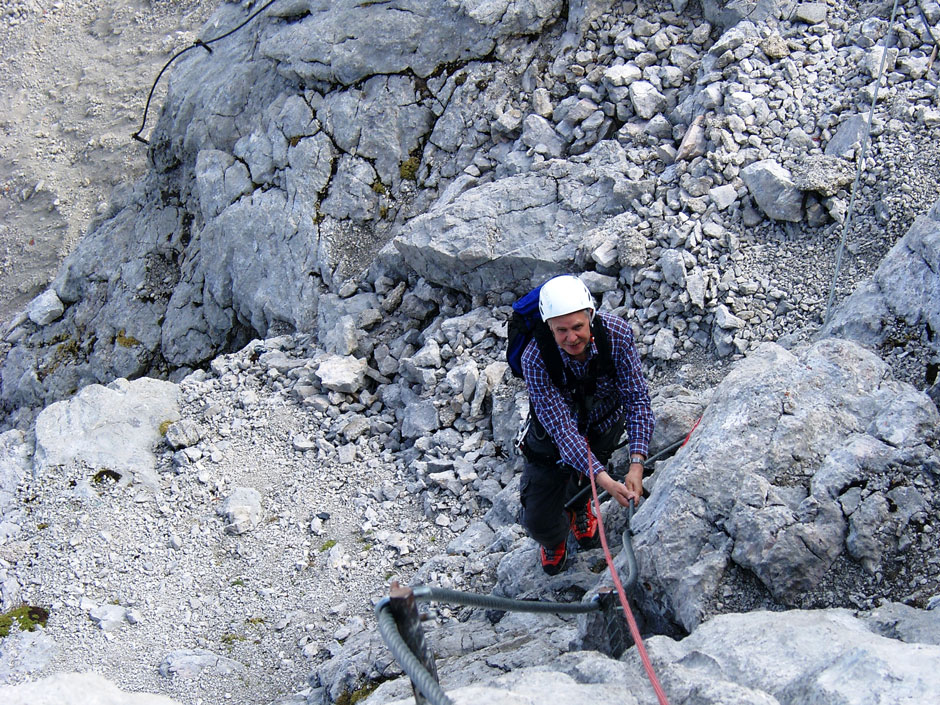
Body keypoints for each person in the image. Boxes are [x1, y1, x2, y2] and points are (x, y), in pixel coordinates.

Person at [518, 274, 655, 575]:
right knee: (537, 519)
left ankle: (579, 508)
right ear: (548, 327)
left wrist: (636, 465)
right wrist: (605, 480)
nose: (571, 338)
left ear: (590, 316)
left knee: (581, 485)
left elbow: (636, 400)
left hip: (601, 426)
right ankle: (554, 538)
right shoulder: (535, 357)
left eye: (578, 327)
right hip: (551, 438)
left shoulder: (617, 335)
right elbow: (563, 430)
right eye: (561, 330)